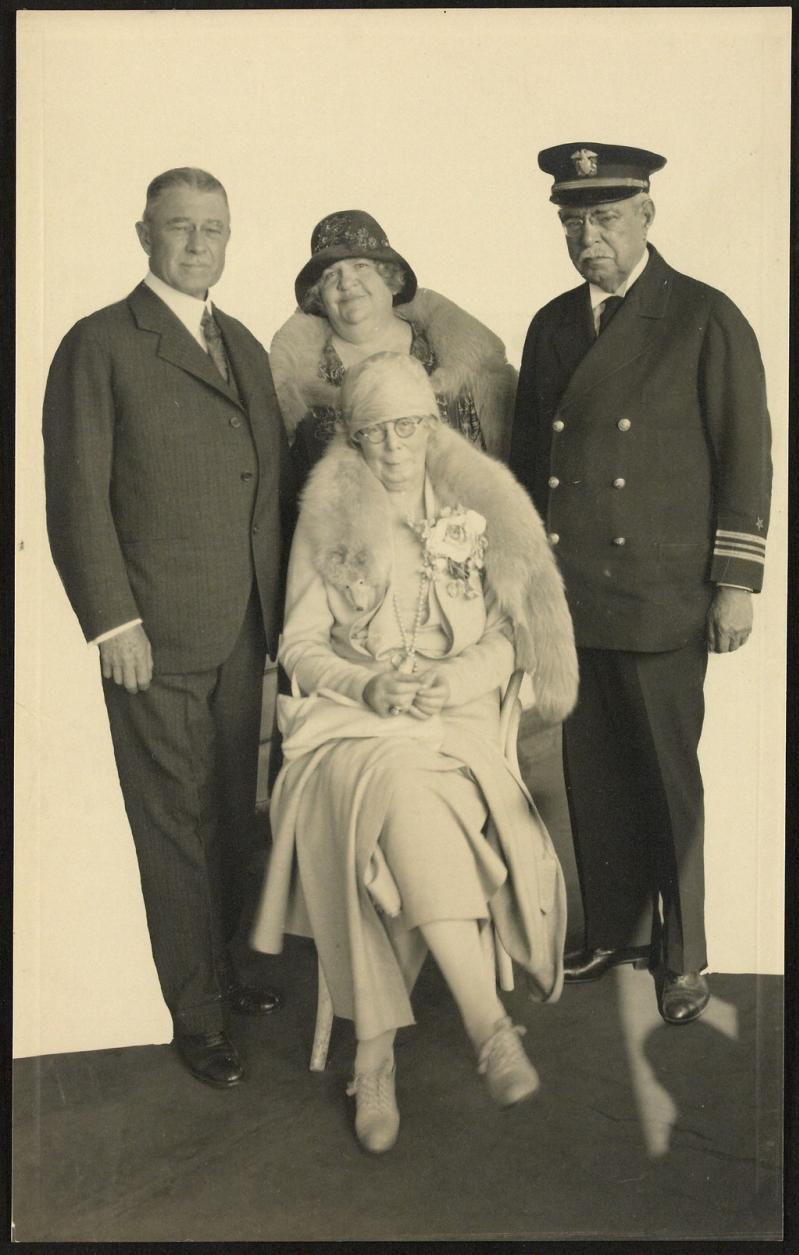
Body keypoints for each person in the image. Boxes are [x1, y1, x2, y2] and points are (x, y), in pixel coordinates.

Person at [251, 351, 578, 1153]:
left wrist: (454, 673)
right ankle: (488, 1027)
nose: (394, 445)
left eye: (408, 426)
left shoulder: (477, 507)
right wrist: (367, 686)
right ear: (354, 439)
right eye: (375, 432)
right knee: (398, 780)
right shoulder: (329, 511)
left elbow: (510, 637)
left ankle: (374, 1055)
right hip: (349, 728)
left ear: (432, 426)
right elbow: (297, 643)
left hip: (456, 725)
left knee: (408, 798)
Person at [43, 167, 296, 1087]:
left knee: (234, 807)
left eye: (215, 229)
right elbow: (76, 499)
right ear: (142, 233)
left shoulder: (244, 344)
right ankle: (196, 1014)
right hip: (153, 632)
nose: (200, 244)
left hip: (245, 628)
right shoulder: (101, 343)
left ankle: (229, 967)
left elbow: (265, 489)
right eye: (181, 228)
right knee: (173, 823)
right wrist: (114, 622)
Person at [509, 143, 772, 1025]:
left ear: (648, 216)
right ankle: (618, 931)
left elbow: (747, 454)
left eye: (607, 218)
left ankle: (684, 954)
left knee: (667, 780)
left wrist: (735, 582)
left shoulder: (702, 315)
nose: (591, 237)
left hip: (662, 592)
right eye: (574, 222)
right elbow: (525, 463)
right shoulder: (550, 324)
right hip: (574, 593)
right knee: (593, 772)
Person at [269, 209, 517, 488]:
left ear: (391, 279)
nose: (347, 282)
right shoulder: (297, 386)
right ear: (319, 298)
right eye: (330, 275)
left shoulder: (459, 364)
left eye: (361, 266)